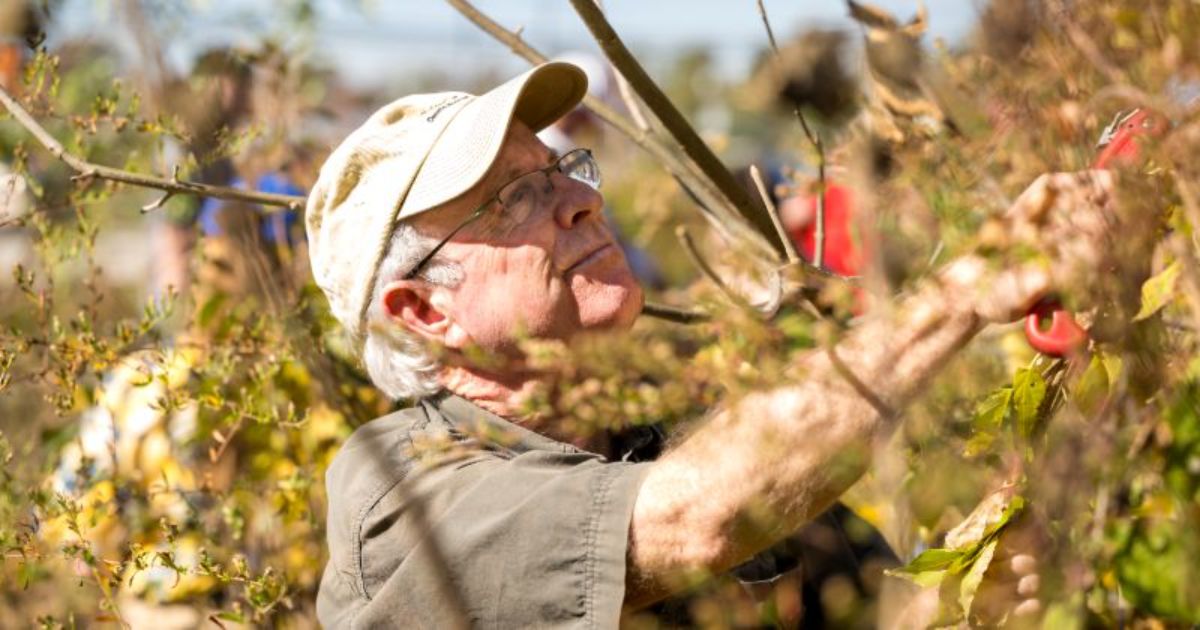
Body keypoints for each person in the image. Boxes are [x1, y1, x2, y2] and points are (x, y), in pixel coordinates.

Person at [305, 62, 1115, 627]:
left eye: (565, 172)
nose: (583, 202)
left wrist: (968, 596)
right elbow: (700, 517)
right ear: (423, 311)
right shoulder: (405, 496)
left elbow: (875, 608)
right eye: (517, 200)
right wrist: (971, 287)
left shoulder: (673, 429)